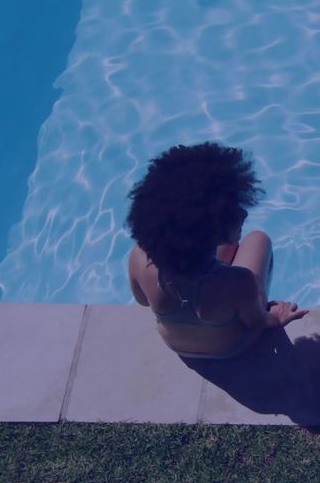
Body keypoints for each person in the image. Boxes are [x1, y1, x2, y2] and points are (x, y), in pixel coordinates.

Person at [126, 142, 307, 360]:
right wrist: (277, 318)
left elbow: (143, 301)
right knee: (258, 239)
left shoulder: (138, 257)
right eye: (231, 214)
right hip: (229, 347)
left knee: (228, 249)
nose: (243, 216)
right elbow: (257, 321)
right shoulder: (239, 281)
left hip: (174, 342)